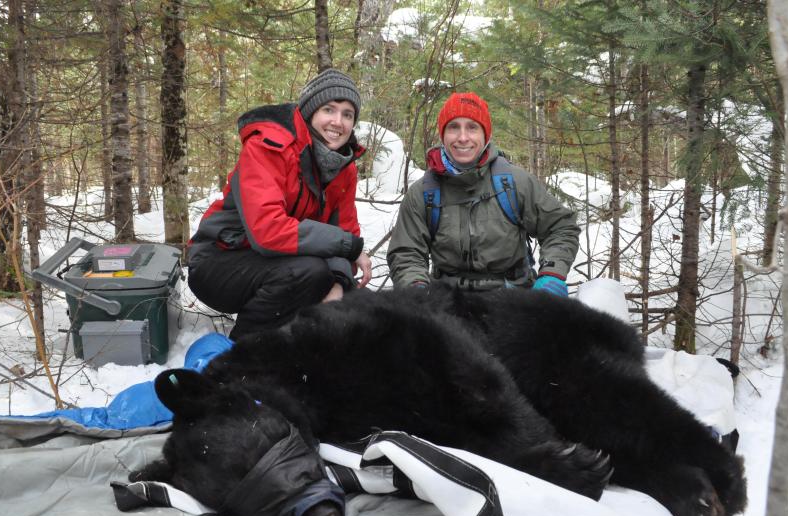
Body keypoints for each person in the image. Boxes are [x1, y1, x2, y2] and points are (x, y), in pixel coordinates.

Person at [187, 69, 372, 339]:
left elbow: (344, 231)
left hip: (278, 265)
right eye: (329, 110)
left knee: (356, 305)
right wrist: (347, 248)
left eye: (347, 114)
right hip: (218, 262)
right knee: (309, 272)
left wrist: (340, 283)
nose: (338, 122)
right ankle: (246, 351)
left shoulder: (344, 168)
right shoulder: (268, 146)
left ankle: (295, 346)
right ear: (310, 112)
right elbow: (267, 230)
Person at [386, 92, 580, 295]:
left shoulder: (514, 182)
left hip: (513, 297)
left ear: (485, 134)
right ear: (443, 134)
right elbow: (407, 252)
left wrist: (552, 273)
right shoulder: (424, 192)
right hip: (448, 301)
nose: (463, 137)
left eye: (472, 127)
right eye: (454, 127)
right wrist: (416, 288)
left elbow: (560, 227)